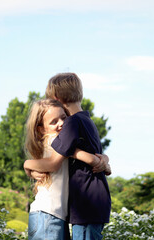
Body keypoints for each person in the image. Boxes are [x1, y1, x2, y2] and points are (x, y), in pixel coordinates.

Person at [24, 73, 111, 240]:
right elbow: (93, 156)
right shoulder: (87, 121)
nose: (61, 124)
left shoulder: (72, 124)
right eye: (54, 121)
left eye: (62, 118)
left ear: (55, 97)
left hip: (85, 204)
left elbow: (54, 163)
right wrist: (104, 161)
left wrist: (27, 164)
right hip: (88, 202)